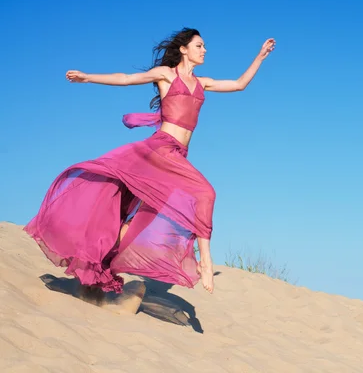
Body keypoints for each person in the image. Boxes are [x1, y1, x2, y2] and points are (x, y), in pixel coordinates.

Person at [24, 28, 275, 301]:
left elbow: (239, 84)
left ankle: (99, 270)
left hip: (177, 157)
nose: (204, 50)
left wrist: (260, 57)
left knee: (139, 220)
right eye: (199, 46)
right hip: (160, 150)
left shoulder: (203, 83)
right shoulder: (166, 75)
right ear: (184, 49)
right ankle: (205, 261)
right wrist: (87, 77)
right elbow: (127, 78)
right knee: (206, 193)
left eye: (204, 47)